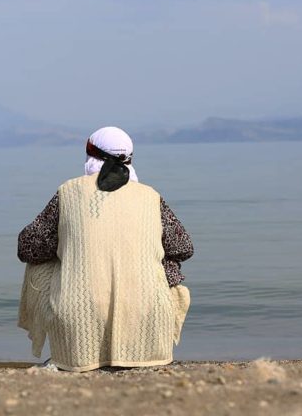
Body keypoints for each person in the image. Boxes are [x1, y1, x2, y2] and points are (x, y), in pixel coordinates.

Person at [16, 126, 194, 372]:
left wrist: (71, 242)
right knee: (164, 260)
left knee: (43, 259)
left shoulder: (68, 192)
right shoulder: (150, 196)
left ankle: (73, 349)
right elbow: (183, 247)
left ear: (91, 154)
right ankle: (145, 345)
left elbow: (27, 246)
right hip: (149, 319)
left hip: (77, 326)